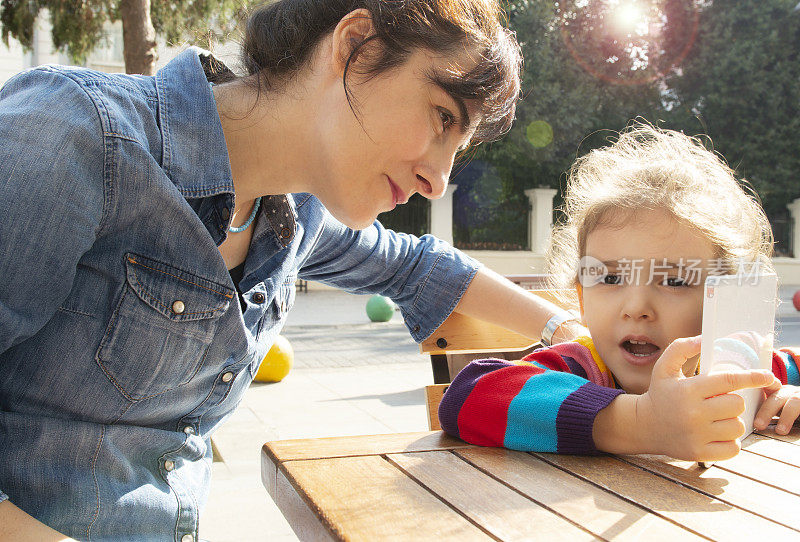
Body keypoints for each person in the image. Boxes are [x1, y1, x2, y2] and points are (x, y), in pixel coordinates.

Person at [0, 1, 589, 540]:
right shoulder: (73, 134)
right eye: (441, 118)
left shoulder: (294, 215)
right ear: (356, 46)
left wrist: (569, 332)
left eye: (458, 149)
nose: (438, 178)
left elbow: (420, 267)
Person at [439, 125, 800, 461]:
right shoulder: (582, 366)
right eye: (611, 279)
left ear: (725, 300)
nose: (637, 307)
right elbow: (467, 396)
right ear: (582, 299)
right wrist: (641, 423)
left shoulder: (736, 363)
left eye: (674, 281)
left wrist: (791, 399)